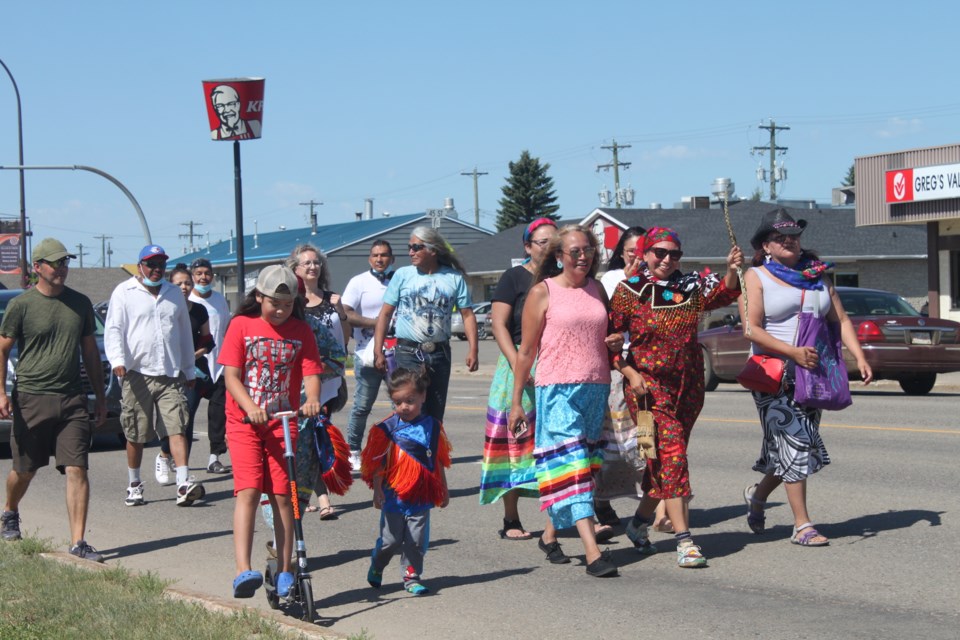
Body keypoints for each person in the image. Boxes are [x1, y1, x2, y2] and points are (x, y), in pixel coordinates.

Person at [609, 227, 743, 568]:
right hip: (645, 391)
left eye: (674, 254)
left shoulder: (692, 288)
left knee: (662, 462)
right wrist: (631, 374)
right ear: (645, 253)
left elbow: (726, 294)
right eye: (660, 253)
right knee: (672, 456)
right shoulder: (628, 291)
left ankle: (637, 524)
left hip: (689, 387)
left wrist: (731, 269)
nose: (667, 260)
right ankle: (685, 541)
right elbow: (607, 342)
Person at [741, 208, 872, 546]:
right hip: (774, 375)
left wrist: (859, 355)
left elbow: (840, 319)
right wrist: (791, 351)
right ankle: (802, 526)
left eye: (794, 236)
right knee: (796, 444)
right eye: (780, 237)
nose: (790, 241)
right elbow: (751, 328)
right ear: (766, 245)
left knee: (791, 448)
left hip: (812, 374)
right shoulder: (757, 277)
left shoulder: (818, 277)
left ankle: (757, 496)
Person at [508, 224, 619, 578]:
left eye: (588, 250)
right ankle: (592, 552)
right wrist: (516, 403)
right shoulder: (543, 292)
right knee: (571, 467)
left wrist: (615, 342)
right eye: (575, 251)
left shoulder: (598, 289)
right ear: (559, 256)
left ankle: (550, 534)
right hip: (555, 389)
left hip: (595, 388)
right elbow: (526, 352)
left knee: (583, 467)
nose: (583, 256)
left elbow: (607, 334)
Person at [218, 265, 324, 599]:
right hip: (244, 423)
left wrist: (314, 399)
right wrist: (250, 407)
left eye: (287, 304)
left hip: (283, 424)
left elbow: (311, 373)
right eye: (273, 303)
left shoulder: (301, 332)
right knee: (248, 491)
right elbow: (232, 376)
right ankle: (242, 569)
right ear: (259, 298)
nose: (280, 310)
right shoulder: (241, 325)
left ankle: (285, 570)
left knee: (284, 497)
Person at [0, 238, 107, 561]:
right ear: (37, 267)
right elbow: (2, 349)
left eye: (65, 262)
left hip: (72, 398)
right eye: (56, 262)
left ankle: (78, 541)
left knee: (77, 468)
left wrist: (100, 397)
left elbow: (89, 350)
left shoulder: (80, 303)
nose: (62, 267)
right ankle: (10, 511)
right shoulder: (21, 305)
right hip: (31, 397)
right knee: (25, 468)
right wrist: (1, 393)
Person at [105, 245, 204, 508]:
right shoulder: (124, 292)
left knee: (177, 426)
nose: (157, 269)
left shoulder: (173, 294)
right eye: (151, 264)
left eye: (161, 264)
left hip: (170, 373)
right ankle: (134, 483)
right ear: (140, 267)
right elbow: (114, 328)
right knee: (136, 432)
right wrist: (117, 360)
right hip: (136, 372)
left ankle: (183, 482)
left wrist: (188, 368)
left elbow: (183, 333)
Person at [479, 218, 558, 541]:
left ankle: (569, 514)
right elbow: (499, 325)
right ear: (527, 246)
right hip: (517, 364)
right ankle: (511, 519)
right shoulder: (513, 278)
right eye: (543, 242)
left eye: (555, 242)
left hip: (557, 364)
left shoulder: (563, 279)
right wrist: (519, 367)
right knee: (515, 442)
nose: (550, 248)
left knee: (559, 442)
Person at [373, 226, 478, 424]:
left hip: (439, 352)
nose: (410, 252)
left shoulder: (453, 278)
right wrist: (378, 350)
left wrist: (474, 349)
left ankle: (432, 452)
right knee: (410, 409)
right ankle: (409, 453)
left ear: (433, 250)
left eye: (416, 247)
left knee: (435, 412)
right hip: (408, 351)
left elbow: (468, 315)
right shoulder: (403, 275)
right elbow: (385, 314)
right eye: (409, 247)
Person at [361, 367, 451, 596]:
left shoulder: (432, 426)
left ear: (422, 396)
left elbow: (438, 460)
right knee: (391, 541)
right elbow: (379, 463)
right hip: (394, 495)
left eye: (410, 401)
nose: (404, 407)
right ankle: (378, 563)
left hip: (421, 495)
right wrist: (377, 490)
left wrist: (443, 487)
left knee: (416, 541)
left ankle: (412, 577)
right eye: (398, 402)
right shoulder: (388, 428)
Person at [288, 244, 352, 518]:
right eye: (306, 263)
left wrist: (342, 312)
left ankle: (308, 499)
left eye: (316, 262)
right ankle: (313, 500)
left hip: (329, 381)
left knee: (315, 439)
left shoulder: (332, 300)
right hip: (301, 380)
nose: (312, 267)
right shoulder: (291, 303)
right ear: (295, 269)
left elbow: (344, 339)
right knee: (307, 441)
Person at [594, 226, 646, 535]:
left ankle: (657, 502)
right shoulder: (610, 279)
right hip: (619, 368)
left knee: (648, 436)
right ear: (622, 253)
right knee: (616, 440)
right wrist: (630, 281)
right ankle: (601, 501)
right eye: (631, 252)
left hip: (649, 366)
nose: (638, 258)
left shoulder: (661, 280)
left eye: (644, 251)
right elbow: (609, 322)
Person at [155, 264, 213, 484]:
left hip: (194, 370)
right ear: (170, 284)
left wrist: (193, 355)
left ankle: (183, 471)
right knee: (171, 421)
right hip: (167, 372)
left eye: (187, 282)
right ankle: (163, 454)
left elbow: (209, 341)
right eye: (178, 283)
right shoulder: (164, 307)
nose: (184, 287)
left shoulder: (199, 310)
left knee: (185, 418)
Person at [342, 240, 396, 470]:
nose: (379, 259)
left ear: (391, 258)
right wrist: (377, 323)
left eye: (384, 255)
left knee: (401, 404)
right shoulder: (359, 282)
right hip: (366, 352)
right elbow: (345, 312)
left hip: (396, 352)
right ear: (369, 258)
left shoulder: (399, 280)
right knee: (362, 406)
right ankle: (353, 450)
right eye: (375, 255)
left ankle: (399, 449)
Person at [188, 258, 232, 474]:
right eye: (198, 273)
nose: (203, 277)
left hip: (220, 366)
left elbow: (226, 331)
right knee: (186, 413)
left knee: (218, 415)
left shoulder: (220, 300)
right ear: (192, 276)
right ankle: (171, 455)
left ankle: (214, 457)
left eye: (207, 273)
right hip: (195, 367)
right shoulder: (185, 300)